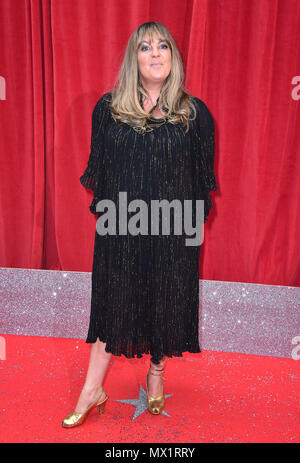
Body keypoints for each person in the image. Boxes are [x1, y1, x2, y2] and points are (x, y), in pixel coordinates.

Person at [62, 21, 217, 428]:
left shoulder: (195, 115)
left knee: (163, 303)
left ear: (173, 58)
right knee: (110, 307)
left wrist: (186, 233)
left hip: (172, 231)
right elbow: (100, 176)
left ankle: (157, 373)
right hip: (121, 230)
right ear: (135, 58)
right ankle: (92, 389)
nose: (155, 54)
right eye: (146, 47)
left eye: (163, 47)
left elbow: (201, 183)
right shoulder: (108, 109)